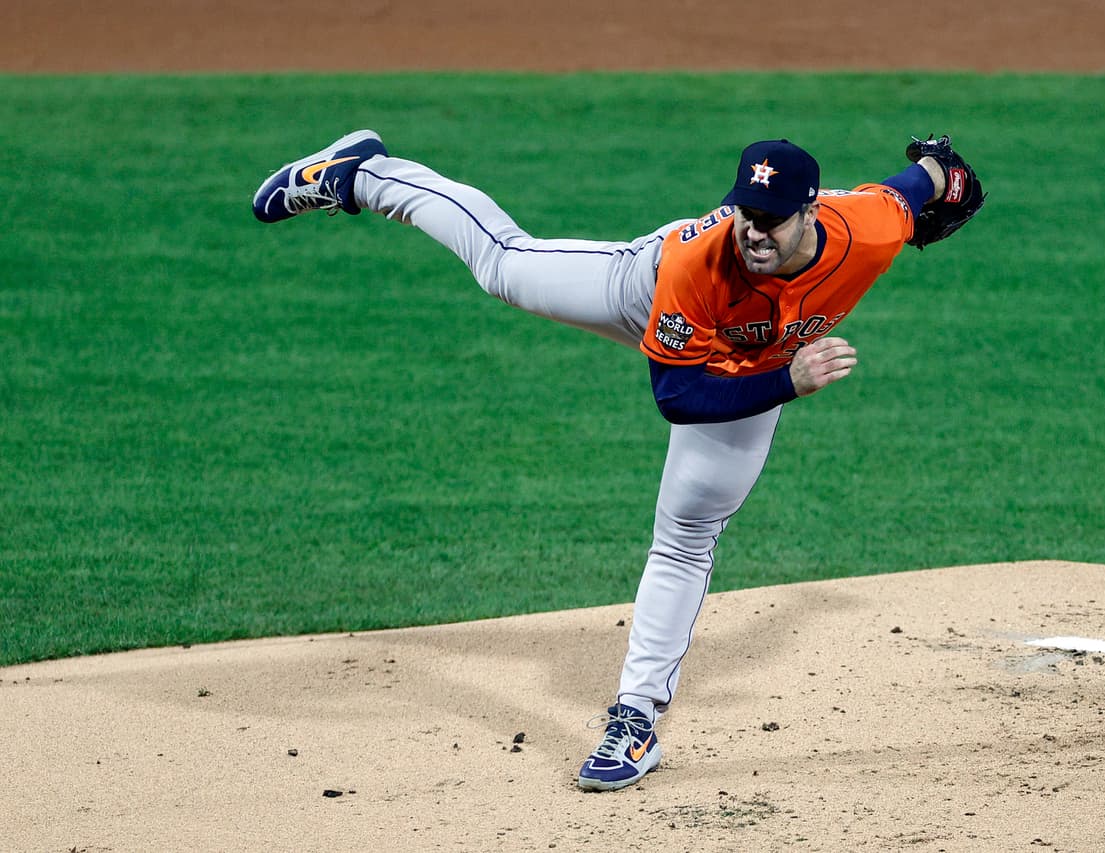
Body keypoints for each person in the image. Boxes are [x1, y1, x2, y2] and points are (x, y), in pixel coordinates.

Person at [252, 129, 983, 791]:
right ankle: (365, 175)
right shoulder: (705, 260)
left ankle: (633, 722)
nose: (753, 233)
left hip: (753, 365)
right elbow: (679, 393)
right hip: (658, 299)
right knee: (504, 266)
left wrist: (938, 169)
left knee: (688, 532)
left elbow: (913, 188)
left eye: (770, 220)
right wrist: (788, 381)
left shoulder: (870, 230)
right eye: (743, 214)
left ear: (810, 215)